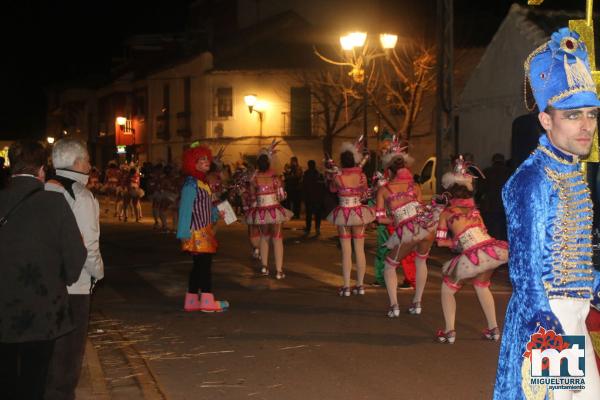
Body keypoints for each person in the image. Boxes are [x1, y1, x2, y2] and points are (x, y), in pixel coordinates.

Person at [494, 28, 600, 399]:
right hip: (549, 318)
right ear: (546, 120)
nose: (586, 125)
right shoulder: (533, 180)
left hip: (574, 317)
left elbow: (570, 258)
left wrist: (596, 285)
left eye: (591, 114)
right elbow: (525, 269)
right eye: (573, 116)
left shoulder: (571, 173)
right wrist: (546, 328)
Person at [0, 140, 87, 400]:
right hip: (43, 308)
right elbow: (76, 254)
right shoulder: (54, 203)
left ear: (11, 167)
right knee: (35, 377)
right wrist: (66, 277)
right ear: (41, 170)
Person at [44, 138, 104, 400]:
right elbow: (89, 245)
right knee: (68, 353)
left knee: (46, 349)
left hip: (42, 282)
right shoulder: (81, 195)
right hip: (75, 283)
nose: (90, 165)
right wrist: (98, 273)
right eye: (88, 160)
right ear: (78, 163)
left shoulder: (43, 190)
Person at [434, 156, 508, 344]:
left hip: (472, 254)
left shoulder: (446, 213)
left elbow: (441, 243)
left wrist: (456, 244)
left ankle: (449, 331)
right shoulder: (475, 211)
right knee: (482, 285)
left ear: (450, 192)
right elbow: (483, 231)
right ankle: (494, 329)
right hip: (491, 250)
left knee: (447, 288)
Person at [375, 138, 441, 317]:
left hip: (407, 231)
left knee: (389, 266)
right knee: (421, 261)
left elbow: (380, 219)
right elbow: (420, 209)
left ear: (389, 169)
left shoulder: (384, 189)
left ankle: (394, 305)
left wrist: (395, 220)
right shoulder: (415, 186)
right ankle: (417, 303)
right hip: (426, 228)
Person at [177, 143, 229, 312]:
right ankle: (207, 301)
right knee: (205, 266)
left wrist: (216, 213)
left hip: (203, 230)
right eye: (202, 160)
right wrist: (184, 233)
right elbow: (185, 209)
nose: (207, 162)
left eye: (207, 159)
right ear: (193, 163)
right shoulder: (191, 184)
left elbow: (204, 208)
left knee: (199, 266)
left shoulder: (202, 183)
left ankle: (192, 301)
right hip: (197, 232)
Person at [326, 139, 375, 296]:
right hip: (358, 213)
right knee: (359, 249)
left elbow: (332, 189)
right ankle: (360, 286)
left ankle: (346, 286)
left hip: (343, 214)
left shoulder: (338, 177)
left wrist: (333, 176)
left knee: (346, 251)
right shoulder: (361, 176)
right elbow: (365, 193)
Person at [246, 140, 293, 279]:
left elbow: (252, 197)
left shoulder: (254, 179)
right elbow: (282, 196)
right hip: (274, 211)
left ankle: (264, 267)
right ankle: (279, 271)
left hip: (261, 211)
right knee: (277, 239)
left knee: (264, 238)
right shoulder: (275, 178)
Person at [479, 153, 511, 241]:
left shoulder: (485, 171)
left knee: (491, 231)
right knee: (503, 232)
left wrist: (477, 201)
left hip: (489, 206)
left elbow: (481, 189)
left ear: (492, 161)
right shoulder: (509, 172)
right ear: (503, 161)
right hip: (504, 206)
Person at [302, 160, 325, 236]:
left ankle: (308, 229)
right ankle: (317, 229)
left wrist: (304, 197)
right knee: (317, 214)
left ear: (308, 165)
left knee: (309, 214)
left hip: (309, 198)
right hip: (317, 198)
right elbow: (322, 186)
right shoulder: (318, 174)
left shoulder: (306, 174)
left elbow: (304, 187)